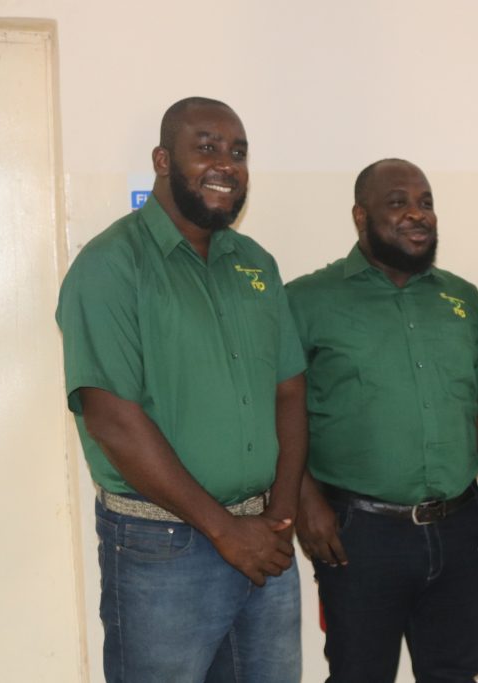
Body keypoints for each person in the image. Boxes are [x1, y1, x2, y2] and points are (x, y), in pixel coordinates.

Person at [56, 97, 306, 682]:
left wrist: (282, 513)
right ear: (163, 160)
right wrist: (223, 530)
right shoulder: (111, 264)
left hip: (264, 535)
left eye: (238, 152)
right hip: (160, 544)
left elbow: (290, 392)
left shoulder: (256, 263)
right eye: (207, 147)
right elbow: (112, 419)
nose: (227, 164)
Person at [286, 158, 478, 683]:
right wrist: (304, 501)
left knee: (455, 674)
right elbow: (279, 409)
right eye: (398, 203)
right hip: (360, 535)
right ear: (360, 216)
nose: (418, 214)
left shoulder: (462, 298)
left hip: (460, 529)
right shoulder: (306, 300)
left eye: (426, 203)